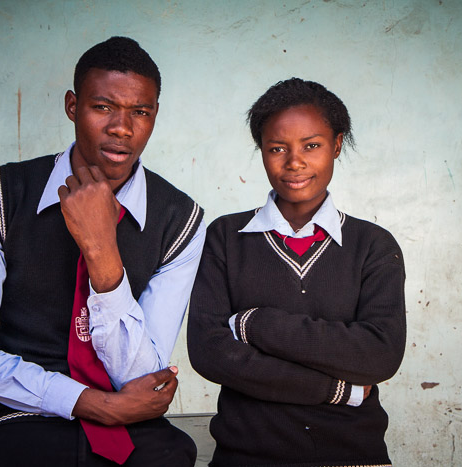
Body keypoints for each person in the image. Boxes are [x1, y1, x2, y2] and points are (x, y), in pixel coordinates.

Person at [0, 36, 204, 466]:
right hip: (24, 418)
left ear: (154, 114)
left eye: (140, 111)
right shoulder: (2, 194)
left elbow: (144, 377)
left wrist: (102, 250)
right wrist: (88, 402)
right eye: (103, 107)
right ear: (72, 106)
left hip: (135, 427)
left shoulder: (181, 218)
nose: (122, 127)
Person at [187, 78, 406, 467]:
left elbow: (380, 355)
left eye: (312, 145)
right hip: (246, 456)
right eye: (277, 148)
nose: (295, 162)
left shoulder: (373, 245)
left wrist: (255, 324)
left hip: (353, 455)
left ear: (337, 145)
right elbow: (209, 352)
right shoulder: (225, 237)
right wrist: (338, 389)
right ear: (261, 151)